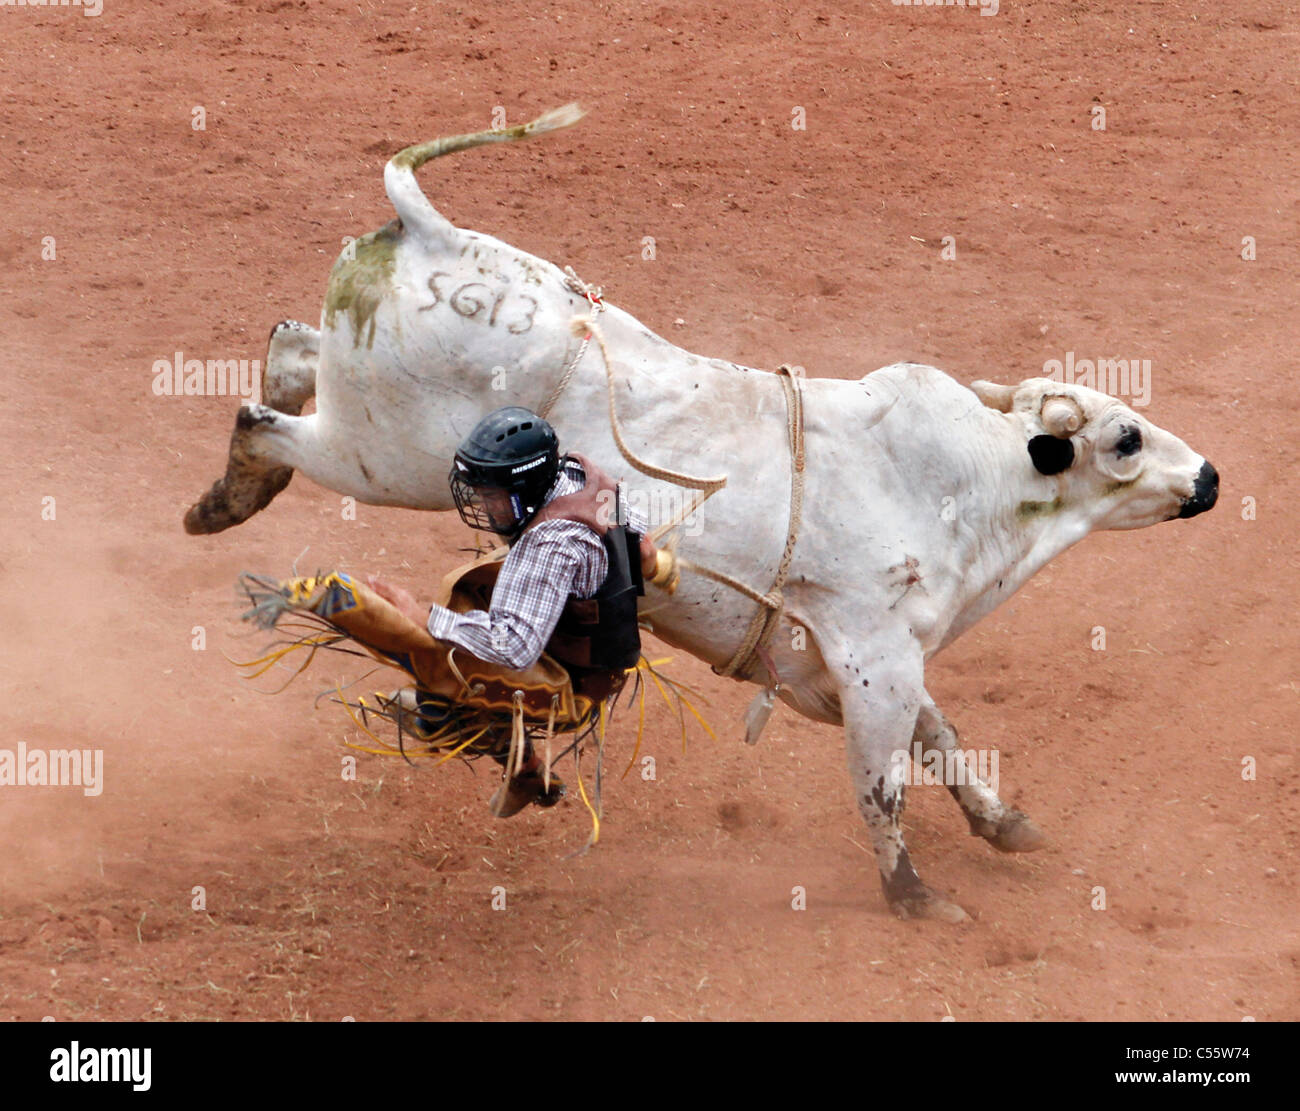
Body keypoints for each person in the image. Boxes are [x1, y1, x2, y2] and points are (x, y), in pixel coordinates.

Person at [367, 406, 664, 817]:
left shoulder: (550, 544)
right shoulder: (583, 478)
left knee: (445, 664)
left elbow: (514, 648)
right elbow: (645, 548)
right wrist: (653, 572)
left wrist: (423, 618)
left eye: (493, 498)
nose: (486, 509)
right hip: (588, 642)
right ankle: (522, 766)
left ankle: (510, 763)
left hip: (575, 680)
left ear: (526, 489)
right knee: (471, 588)